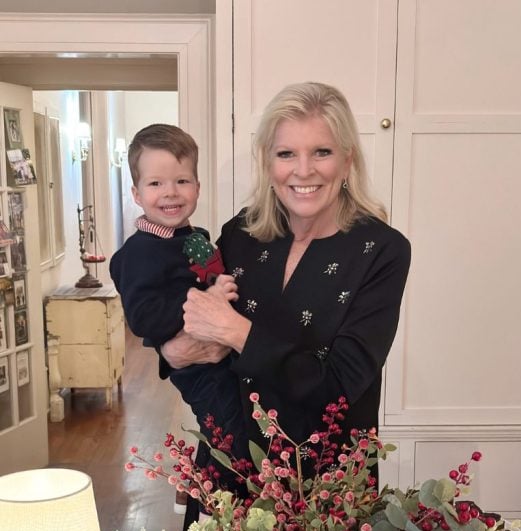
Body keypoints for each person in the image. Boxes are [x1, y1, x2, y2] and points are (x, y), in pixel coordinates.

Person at [158, 81, 411, 455]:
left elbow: (339, 387)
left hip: (321, 484)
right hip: (228, 463)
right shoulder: (240, 233)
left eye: (321, 152)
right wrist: (171, 352)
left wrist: (236, 331)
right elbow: (193, 331)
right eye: (287, 153)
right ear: (267, 161)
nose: (303, 170)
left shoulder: (382, 251)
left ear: (347, 160)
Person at [110, 124, 247, 459]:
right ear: (137, 194)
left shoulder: (194, 236)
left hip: (231, 358)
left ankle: (204, 493)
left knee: (244, 431)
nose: (170, 192)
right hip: (201, 371)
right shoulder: (139, 252)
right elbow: (143, 319)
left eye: (181, 181)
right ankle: (214, 499)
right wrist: (204, 303)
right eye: (156, 183)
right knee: (232, 444)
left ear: (197, 188)